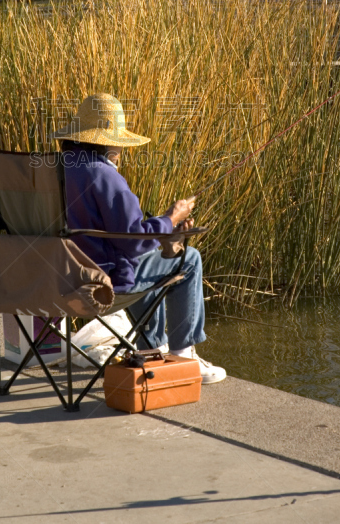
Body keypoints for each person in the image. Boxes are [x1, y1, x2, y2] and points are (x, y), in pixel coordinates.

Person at [54, 92, 226, 384]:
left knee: (154, 257)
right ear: (107, 142)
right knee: (191, 259)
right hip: (102, 282)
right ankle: (185, 354)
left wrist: (164, 237)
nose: (122, 149)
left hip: (57, 279)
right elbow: (132, 242)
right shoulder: (104, 176)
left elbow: (116, 235)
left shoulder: (59, 168)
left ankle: (154, 347)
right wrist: (171, 217)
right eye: (119, 142)